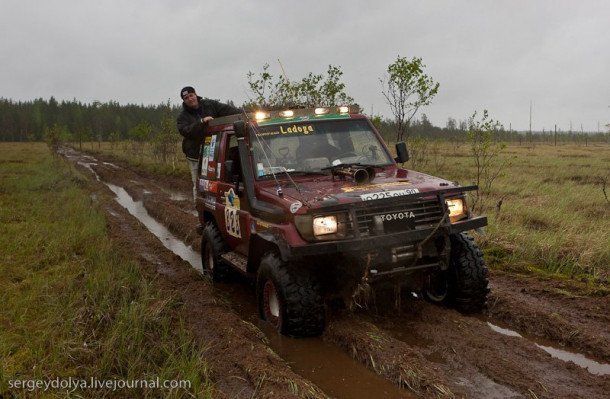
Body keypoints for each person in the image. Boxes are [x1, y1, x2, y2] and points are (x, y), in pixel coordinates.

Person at [176, 86, 240, 201]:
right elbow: (186, 131)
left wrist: (244, 115)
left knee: (217, 182)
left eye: (191, 95)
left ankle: (217, 205)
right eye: (186, 98)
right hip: (195, 156)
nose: (190, 99)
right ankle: (199, 207)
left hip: (214, 152)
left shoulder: (209, 105)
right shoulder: (182, 117)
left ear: (196, 94)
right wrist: (201, 122)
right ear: (184, 101)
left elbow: (226, 110)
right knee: (198, 183)